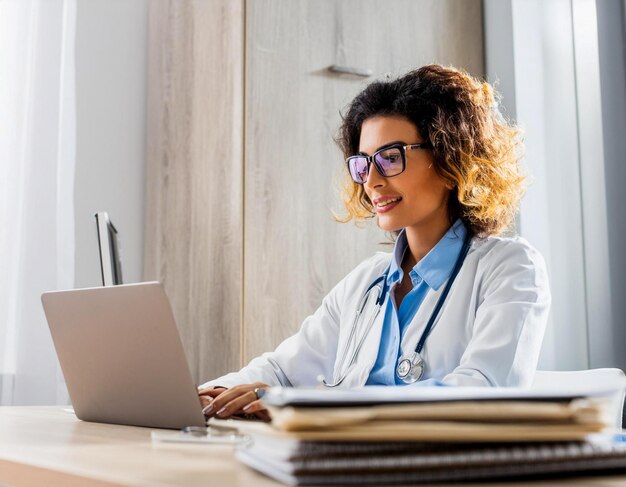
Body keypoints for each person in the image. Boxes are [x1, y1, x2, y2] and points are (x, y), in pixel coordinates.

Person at [198, 64, 551, 422]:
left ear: (450, 159)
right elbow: (280, 372)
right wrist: (207, 396)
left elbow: (482, 394)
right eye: (364, 163)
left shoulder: (511, 268)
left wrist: (317, 406)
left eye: (390, 157)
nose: (371, 182)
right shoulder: (366, 282)